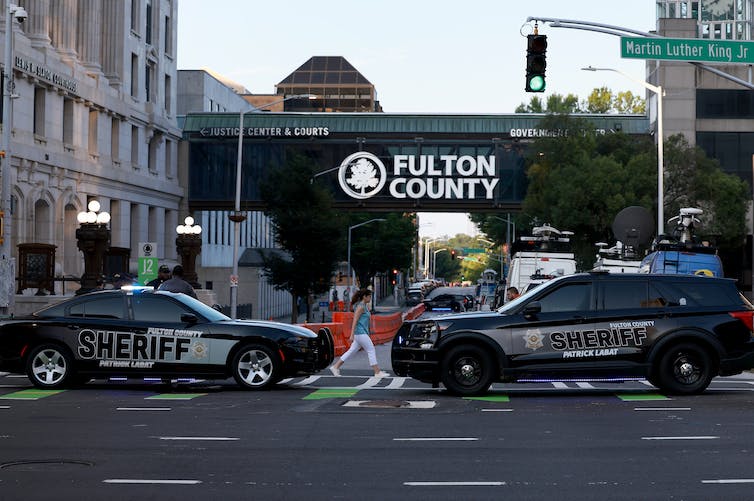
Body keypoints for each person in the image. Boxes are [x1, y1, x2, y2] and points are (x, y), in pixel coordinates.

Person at [328, 288, 389, 378]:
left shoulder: (364, 306)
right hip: (360, 333)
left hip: (361, 333)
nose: (370, 298)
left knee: (351, 351)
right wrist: (352, 334)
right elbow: (355, 320)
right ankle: (377, 372)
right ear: (364, 297)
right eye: (369, 296)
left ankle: (335, 366)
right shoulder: (360, 306)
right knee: (371, 350)